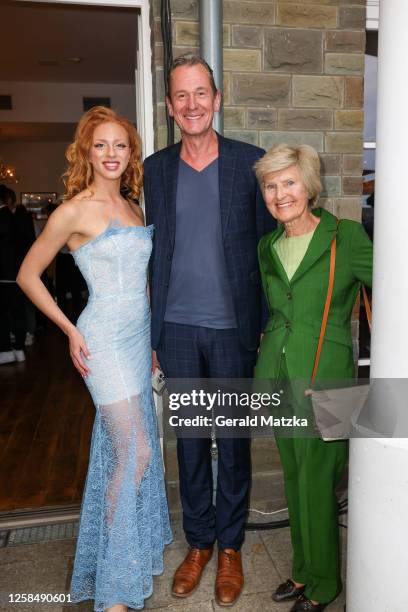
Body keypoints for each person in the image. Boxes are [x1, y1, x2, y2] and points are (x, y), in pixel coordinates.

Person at [17, 106, 172, 612]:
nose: (111, 154)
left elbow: (145, 283)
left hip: (137, 339)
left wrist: (150, 342)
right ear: (87, 151)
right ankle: (113, 589)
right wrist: (66, 330)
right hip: (101, 339)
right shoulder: (73, 211)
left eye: (120, 146)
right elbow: (27, 275)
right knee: (137, 452)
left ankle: (123, 555)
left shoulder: (135, 208)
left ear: (131, 155)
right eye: (101, 145)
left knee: (128, 452)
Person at [144, 54, 274, 607]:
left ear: (217, 99)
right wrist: (149, 334)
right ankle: (199, 543)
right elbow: (150, 250)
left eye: (201, 93)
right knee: (192, 444)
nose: (192, 104)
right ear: (171, 107)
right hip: (175, 328)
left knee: (235, 444)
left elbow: (269, 249)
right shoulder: (155, 168)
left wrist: (269, 326)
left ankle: (231, 550)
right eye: (181, 96)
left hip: (231, 330)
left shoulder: (252, 163)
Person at [254, 144, 373, 611]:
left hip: (329, 374)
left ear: (309, 186)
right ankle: (304, 572)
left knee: (320, 481)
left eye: (289, 182)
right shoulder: (267, 246)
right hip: (279, 374)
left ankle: (325, 585)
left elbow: (390, 284)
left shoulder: (345, 236)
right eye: (270, 185)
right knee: (296, 478)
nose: (280, 194)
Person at [0, 185, 28, 364]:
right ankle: (19, 348)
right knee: (18, 312)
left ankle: (4, 350)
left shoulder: (2, 218)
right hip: (20, 272)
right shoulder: (20, 217)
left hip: (3, 274)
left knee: (2, 314)